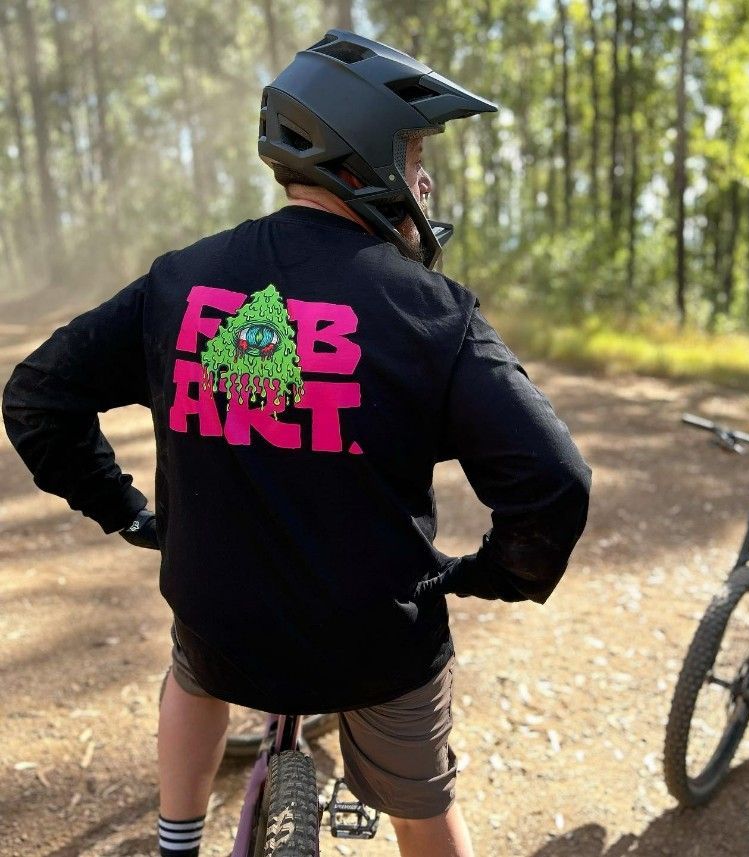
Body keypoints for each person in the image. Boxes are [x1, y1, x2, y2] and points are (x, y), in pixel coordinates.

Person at [2, 31, 591, 857]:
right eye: (415, 150)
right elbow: (553, 480)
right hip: (375, 644)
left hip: (220, 618)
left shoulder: (180, 280)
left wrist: (131, 512)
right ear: (366, 159)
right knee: (421, 799)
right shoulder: (432, 310)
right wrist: (489, 574)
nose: (425, 177)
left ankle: (177, 840)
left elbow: (36, 396)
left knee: (191, 665)